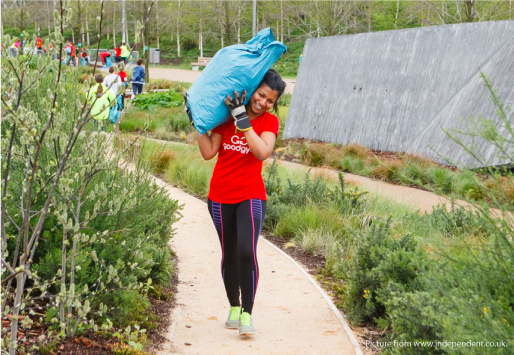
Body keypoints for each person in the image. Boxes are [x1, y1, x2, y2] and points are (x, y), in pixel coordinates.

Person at [184, 69, 286, 336]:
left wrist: (243, 121)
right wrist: (198, 123)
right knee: (229, 254)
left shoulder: (269, 123)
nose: (263, 102)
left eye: (270, 100)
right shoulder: (225, 118)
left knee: (245, 251)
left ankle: (247, 314)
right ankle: (233, 306)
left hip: (251, 196)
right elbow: (208, 153)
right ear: (253, 89)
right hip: (219, 197)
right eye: (261, 95)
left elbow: (263, 152)